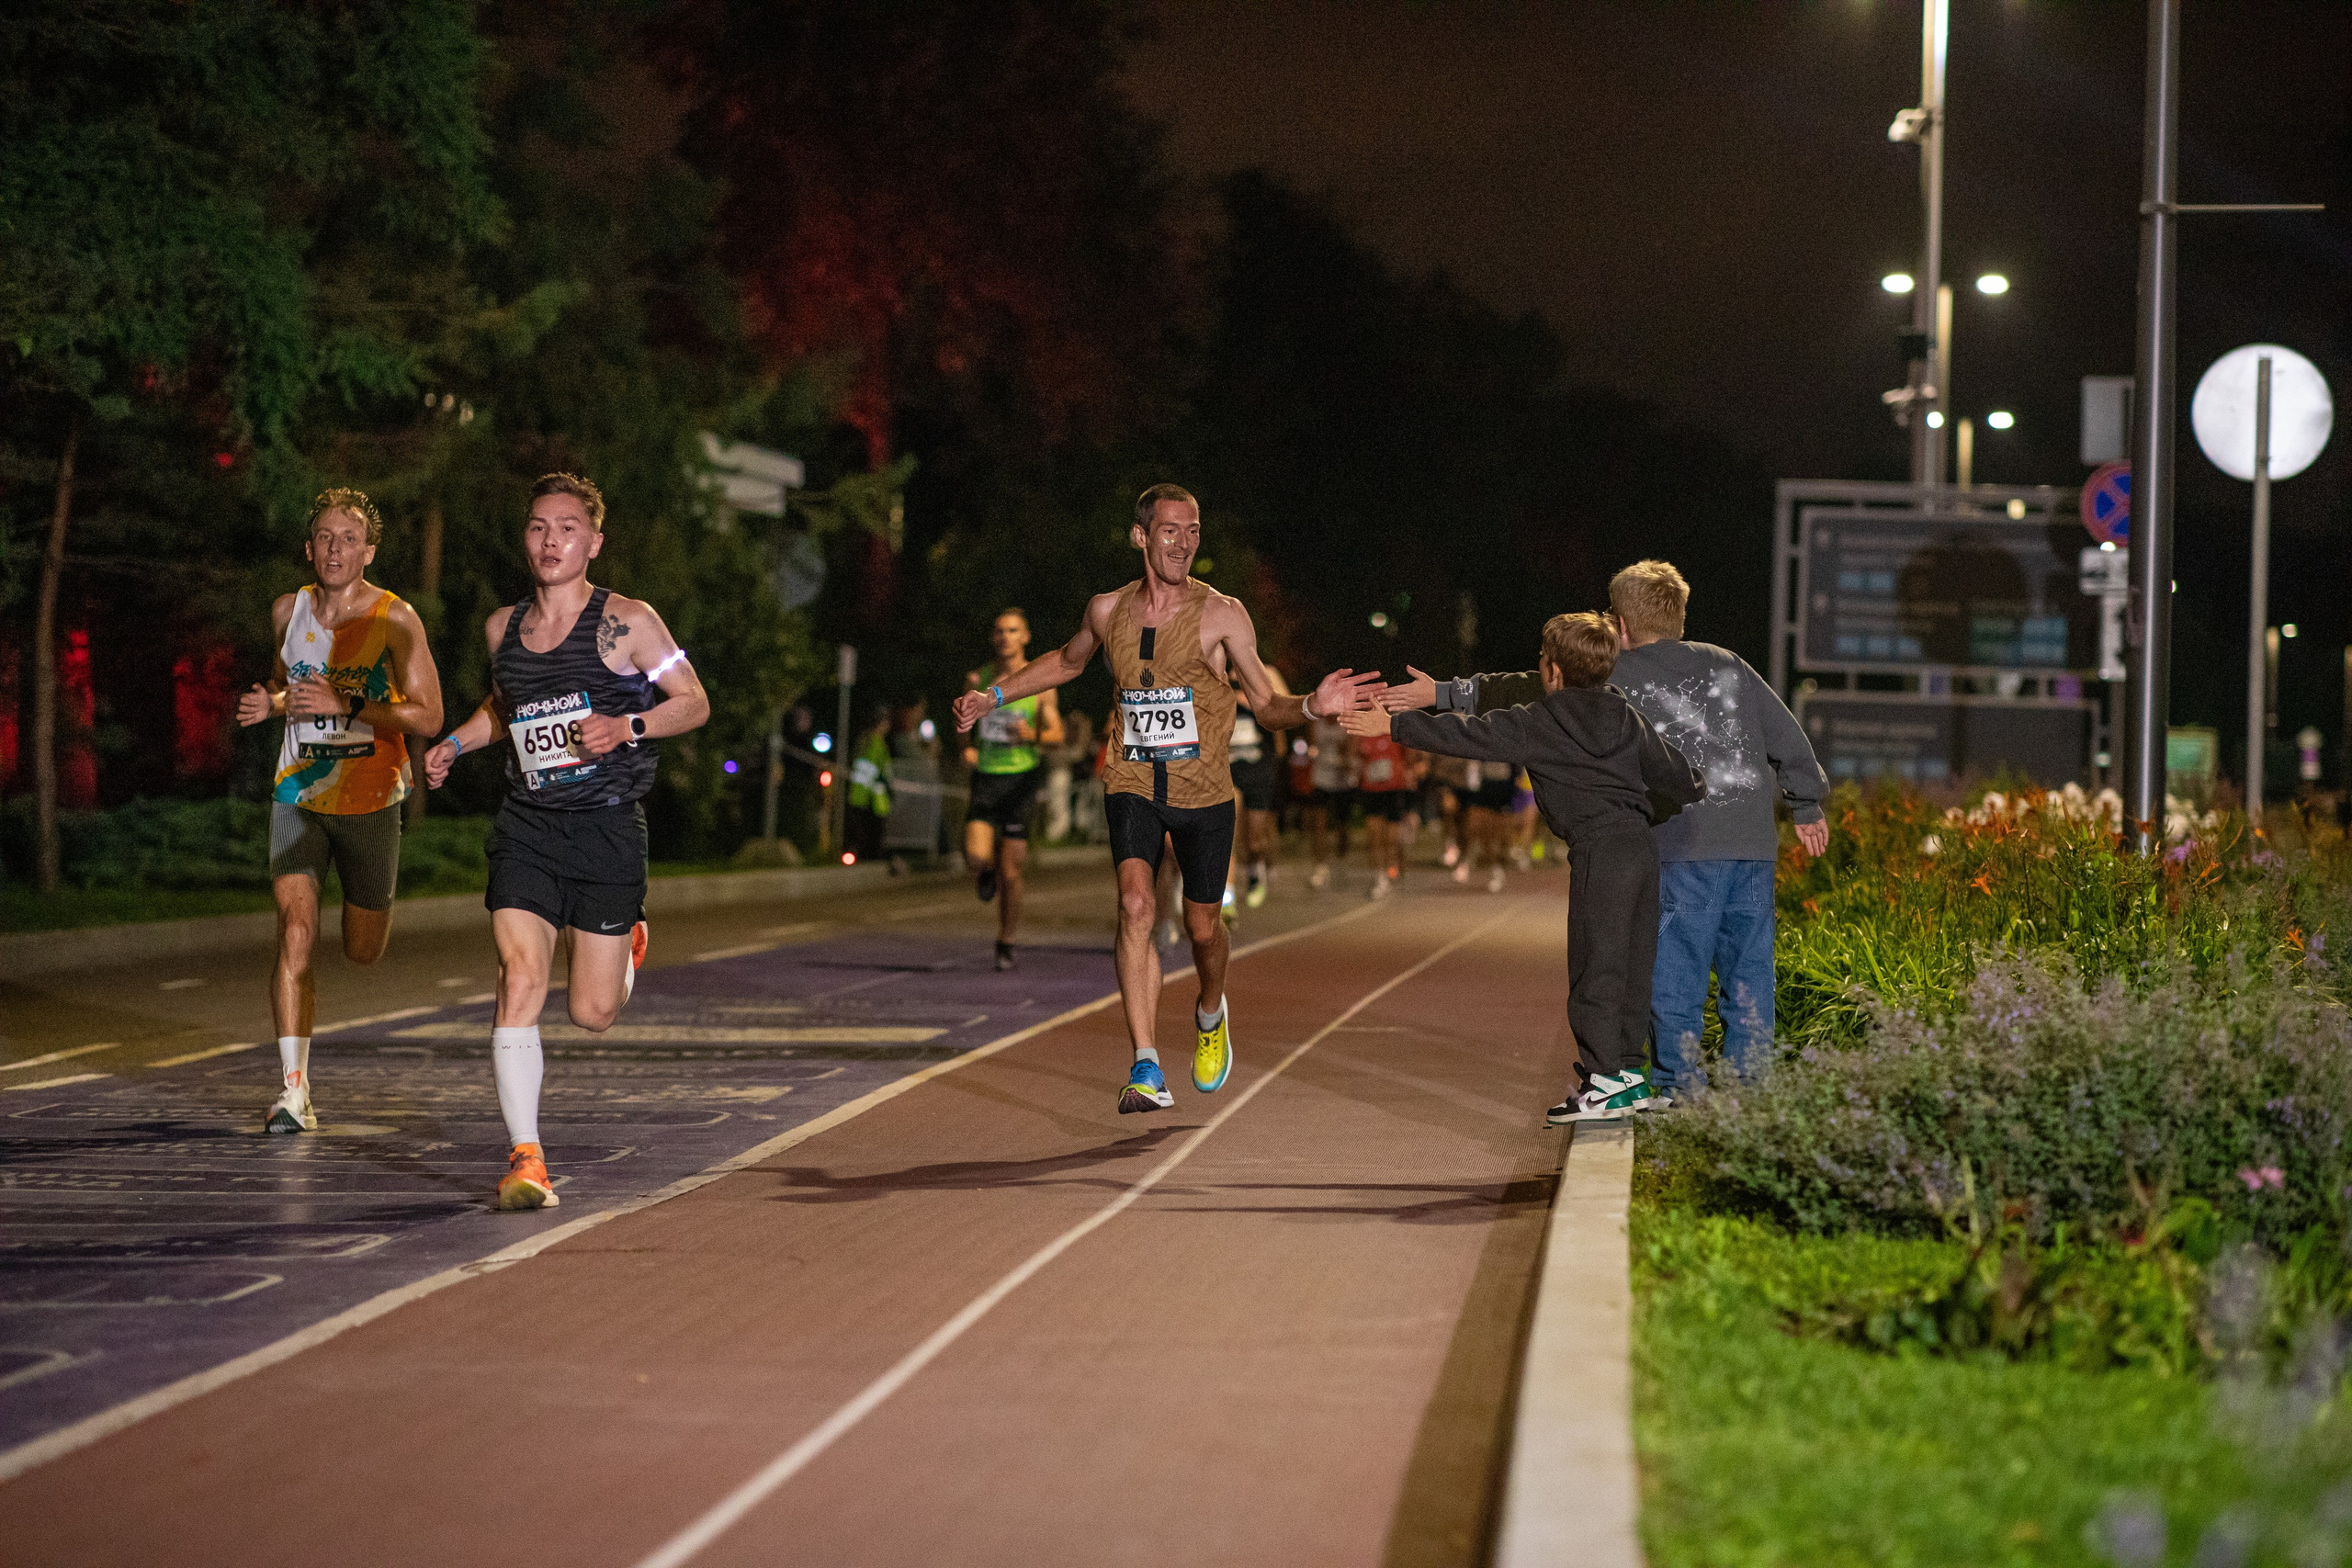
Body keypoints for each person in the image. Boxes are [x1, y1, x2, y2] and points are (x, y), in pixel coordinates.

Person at [952, 482, 1376, 1114]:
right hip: (1130, 779)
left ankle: (1210, 1010)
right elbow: (1068, 662)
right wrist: (997, 696)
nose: (1183, 542)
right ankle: (1145, 1063)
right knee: (1135, 903)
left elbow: (1264, 703)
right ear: (1141, 536)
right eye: (1171, 530)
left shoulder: (1223, 613)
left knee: (1202, 926)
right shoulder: (1107, 610)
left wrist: (1313, 705)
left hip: (1204, 790)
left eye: (1193, 530)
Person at [1380, 558, 1830, 1094]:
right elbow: (1785, 733)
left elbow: (1523, 686)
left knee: (1675, 976)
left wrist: (1444, 694)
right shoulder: (1729, 663)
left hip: (1683, 845)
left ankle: (1677, 1089)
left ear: (1618, 625)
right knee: (1750, 971)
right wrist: (1807, 804)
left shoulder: (1614, 671)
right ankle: (1753, 1091)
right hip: (1752, 845)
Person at [424, 472, 710, 1210]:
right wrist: (457, 742)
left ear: (594, 541)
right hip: (529, 826)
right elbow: (504, 705)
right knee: (518, 978)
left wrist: (628, 726)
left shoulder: (631, 622)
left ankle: (627, 944)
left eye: (568, 528)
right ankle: (527, 1158)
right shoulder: (501, 628)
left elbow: (694, 701)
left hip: (609, 826)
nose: (551, 541)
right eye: (538, 528)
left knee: (592, 1012)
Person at [1349, 612, 1704, 1121]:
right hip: (1641, 851)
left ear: (1554, 671)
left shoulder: (1541, 720)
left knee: (1594, 965)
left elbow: (1467, 736)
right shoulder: (1627, 716)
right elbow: (1684, 779)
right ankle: (1628, 1072)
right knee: (1631, 964)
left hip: (1599, 853)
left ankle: (1604, 1081)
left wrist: (1395, 725)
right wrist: (1655, 804)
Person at [237, 490, 443, 1134]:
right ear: (308, 547)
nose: (334, 548)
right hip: (297, 791)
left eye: (348, 538)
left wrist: (347, 705)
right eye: (324, 537)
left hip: (372, 797)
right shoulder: (286, 609)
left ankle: (371, 911)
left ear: (368, 552)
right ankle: (293, 1091)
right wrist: (270, 703)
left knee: (361, 949)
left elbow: (430, 716)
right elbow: (285, 681)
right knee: (294, 928)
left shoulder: (396, 618)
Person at [963, 608, 1065, 969]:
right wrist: (967, 747)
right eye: (999, 630)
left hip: (1022, 780)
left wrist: (1032, 734)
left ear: (1026, 637)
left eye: (1012, 630)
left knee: (1012, 871)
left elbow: (1057, 735)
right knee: (976, 856)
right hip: (987, 777)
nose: (1004, 636)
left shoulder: (1039, 682)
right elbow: (963, 722)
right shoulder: (979, 678)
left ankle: (1005, 941)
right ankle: (985, 871)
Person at [1227, 668, 1288, 913]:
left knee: (1254, 840)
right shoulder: (1218, 670)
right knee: (1227, 834)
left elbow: (1283, 706)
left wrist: (1248, 693)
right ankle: (1227, 897)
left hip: (1259, 767)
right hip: (1228, 767)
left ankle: (1255, 871)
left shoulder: (1264, 672)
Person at [1353, 722, 1420, 898]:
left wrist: (1407, 770)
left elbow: (1411, 756)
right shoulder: (1362, 732)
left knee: (1391, 838)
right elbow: (1353, 755)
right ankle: (1380, 876)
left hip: (1393, 789)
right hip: (1371, 790)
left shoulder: (1394, 728)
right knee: (1374, 836)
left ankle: (1393, 866)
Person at [1303, 709, 1357, 889]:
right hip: (1321, 778)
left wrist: (1347, 760)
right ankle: (1320, 865)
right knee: (1319, 823)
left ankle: (1342, 858)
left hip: (1341, 780)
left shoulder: (1345, 724)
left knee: (1343, 826)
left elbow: (1350, 748)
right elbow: (1311, 747)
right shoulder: (1316, 724)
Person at [845, 711, 893, 863]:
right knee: (872, 831)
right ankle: (870, 858)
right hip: (872, 797)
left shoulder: (862, 740)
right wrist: (887, 786)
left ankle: (859, 855)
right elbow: (878, 770)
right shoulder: (876, 743)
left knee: (859, 830)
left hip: (858, 792)